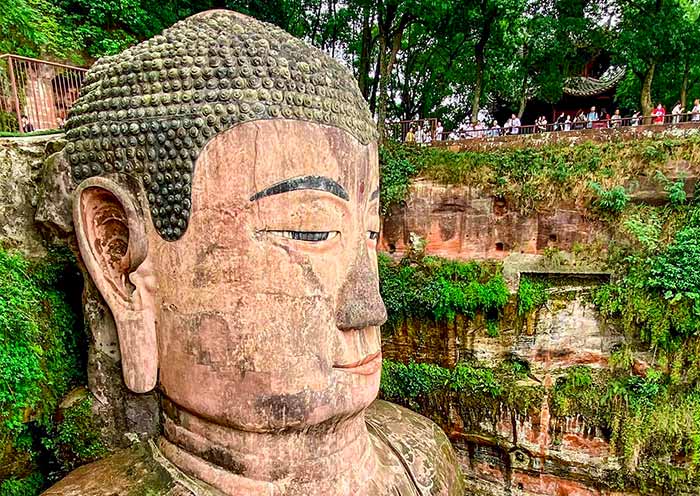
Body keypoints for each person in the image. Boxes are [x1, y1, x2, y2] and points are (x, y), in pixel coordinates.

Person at [44, 10, 464, 496]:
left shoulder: (421, 456)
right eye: (309, 229)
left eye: (370, 232)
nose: (370, 308)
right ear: (121, 260)